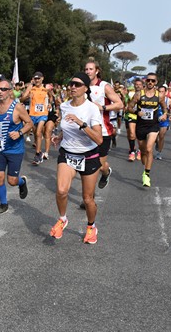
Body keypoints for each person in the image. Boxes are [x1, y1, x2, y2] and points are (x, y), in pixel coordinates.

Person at [50, 73, 103, 244]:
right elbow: (65, 127)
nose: (72, 87)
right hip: (68, 153)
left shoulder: (92, 109)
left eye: (77, 84)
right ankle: (62, 219)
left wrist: (81, 123)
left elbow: (99, 139)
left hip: (89, 155)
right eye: (71, 83)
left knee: (88, 199)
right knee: (61, 190)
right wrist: (59, 136)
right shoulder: (65, 106)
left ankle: (91, 227)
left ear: (86, 88)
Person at [0, 78, 33, 215]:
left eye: (3, 89)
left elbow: (30, 123)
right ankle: (3, 204)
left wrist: (20, 132)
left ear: (10, 91)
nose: (0, 92)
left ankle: (21, 182)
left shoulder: (17, 107)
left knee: (12, 181)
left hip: (15, 149)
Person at [84, 59, 123, 189]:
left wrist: (102, 107)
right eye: (86, 69)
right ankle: (89, 197)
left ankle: (106, 173)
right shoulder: (82, 86)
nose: (88, 71)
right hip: (87, 130)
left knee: (99, 165)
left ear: (97, 71)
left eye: (91, 69)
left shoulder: (104, 86)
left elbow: (120, 104)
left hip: (104, 130)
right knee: (88, 165)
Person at [126, 73, 168, 187]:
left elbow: (165, 108)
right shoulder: (139, 94)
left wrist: (165, 114)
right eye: (148, 80)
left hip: (153, 126)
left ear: (156, 82)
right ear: (146, 81)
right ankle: (145, 168)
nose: (150, 82)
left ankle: (147, 174)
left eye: (153, 81)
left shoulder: (159, 96)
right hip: (141, 126)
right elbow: (128, 107)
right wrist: (136, 112)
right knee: (143, 151)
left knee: (149, 149)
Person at [21, 71, 50, 165]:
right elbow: (22, 99)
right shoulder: (31, 89)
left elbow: (52, 98)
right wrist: (28, 93)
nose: (37, 80)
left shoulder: (46, 89)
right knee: (35, 133)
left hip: (42, 114)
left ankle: (37, 154)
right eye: (35, 78)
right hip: (32, 114)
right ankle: (39, 151)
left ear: (42, 79)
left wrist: (49, 104)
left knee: (38, 132)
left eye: (39, 78)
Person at [155, 85, 171, 160]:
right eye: (159, 91)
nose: (161, 93)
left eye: (162, 91)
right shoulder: (154, 99)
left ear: (165, 92)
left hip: (164, 121)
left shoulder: (168, 100)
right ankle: (157, 143)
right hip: (155, 120)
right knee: (155, 138)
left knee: (161, 137)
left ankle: (159, 153)